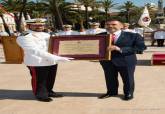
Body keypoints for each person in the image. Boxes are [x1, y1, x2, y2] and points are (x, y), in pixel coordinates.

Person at [16, 24, 73, 102]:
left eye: (41, 25)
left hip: (52, 61)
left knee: (50, 78)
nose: (39, 27)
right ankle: (40, 95)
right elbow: (34, 50)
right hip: (37, 62)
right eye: (35, 25)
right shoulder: (24, 36)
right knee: (40, 80)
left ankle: (49, 91)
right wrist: (55, 57)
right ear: (29, 26)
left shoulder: (47, 34)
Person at [98, 19, 146, 100]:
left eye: (113, 24)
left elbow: (141, 47)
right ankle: (111, 92)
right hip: (106, 61)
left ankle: (128, 93)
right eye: (107, 24)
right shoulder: (99, 36)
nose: (110, 26)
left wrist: (120, 49)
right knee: (109, 77)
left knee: (127, 78)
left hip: (126, 61)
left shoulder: (133, 36)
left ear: (121, 26)